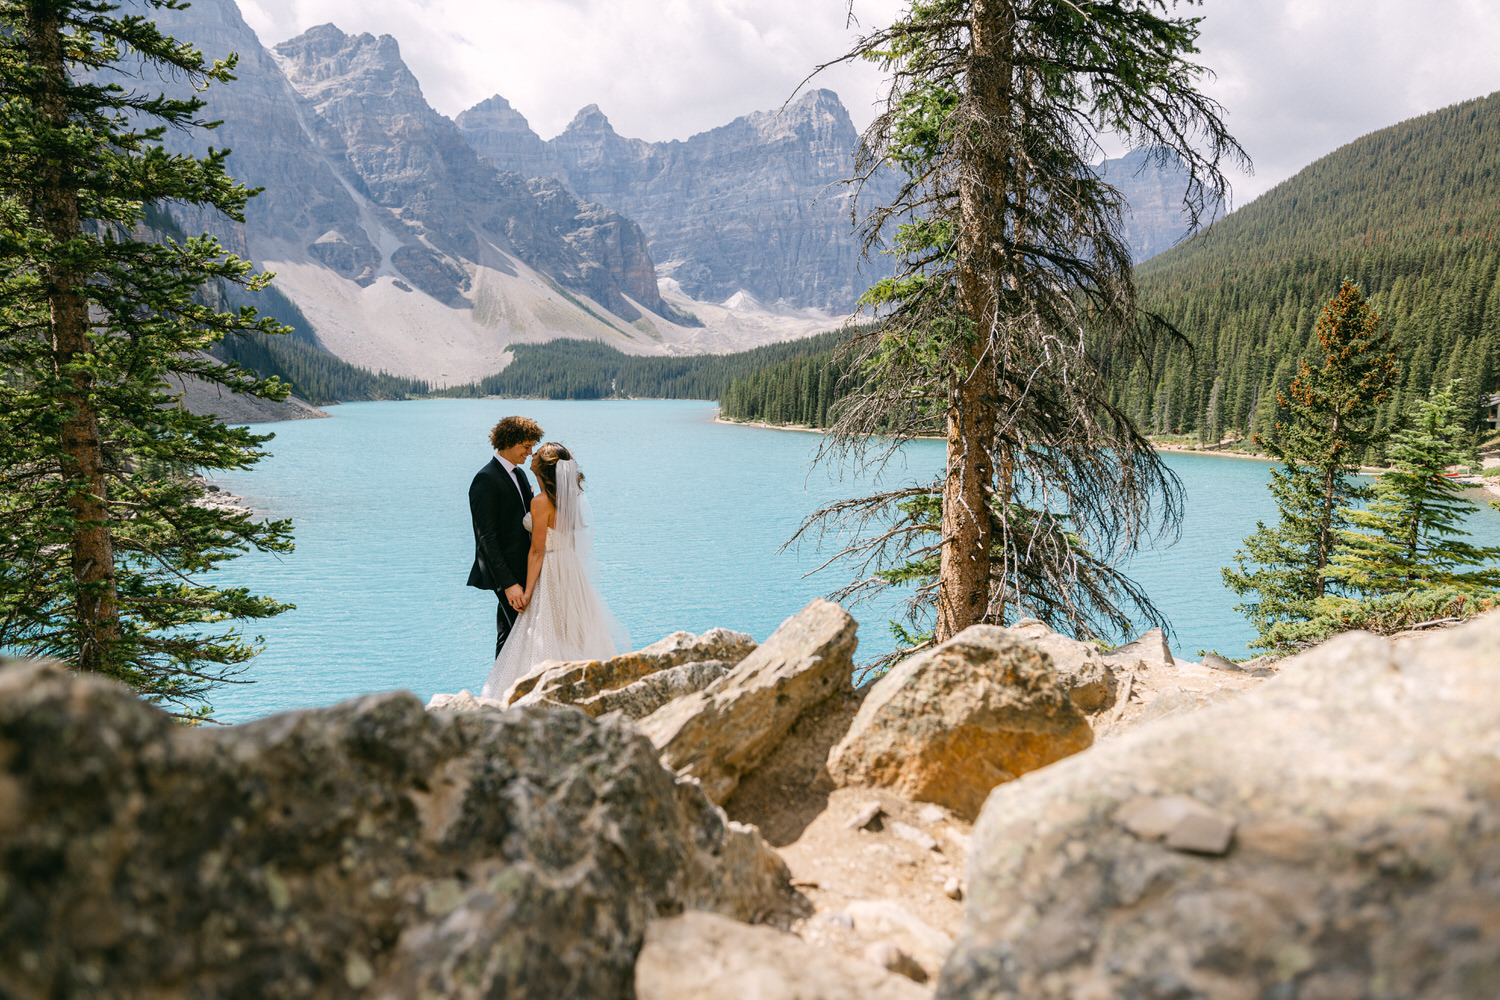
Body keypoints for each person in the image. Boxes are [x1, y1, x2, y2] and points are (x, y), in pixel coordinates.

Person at [480, 442, 629, 700]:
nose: (532, 453)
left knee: (545, 629)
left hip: (549, 568)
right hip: (569, 568)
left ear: (544, 466)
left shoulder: (540, 502)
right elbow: (568, 540)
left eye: (537, 453)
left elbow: (537, 551)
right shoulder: (568, 499)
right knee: (571, 629)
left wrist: (527, 591)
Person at [467, 415, 543, 658]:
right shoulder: (485, 479)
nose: (530, 453)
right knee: (526, 636)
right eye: (526, 446)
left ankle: (497, 692)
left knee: (508, 637)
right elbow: (486, 537)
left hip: (523, 571)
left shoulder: (519, 475)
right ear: (509, 442)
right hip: (507, 576)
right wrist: (509, 585)